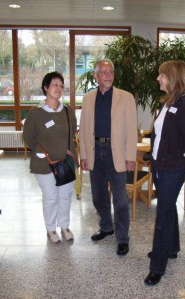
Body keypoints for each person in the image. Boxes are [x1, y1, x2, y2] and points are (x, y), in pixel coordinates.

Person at [144, 60, 185, 286]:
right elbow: (161, 135)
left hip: (174, 168)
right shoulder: (169, 102)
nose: (158, 79)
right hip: (161, 165)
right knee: (168, 208)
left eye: (162, 75)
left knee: (163, 213)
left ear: (173, 77)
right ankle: (173, 248)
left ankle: (157, 266)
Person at [79, 59, 137, 256]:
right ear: (96, 76)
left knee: (120, 198)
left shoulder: (126, 97)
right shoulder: (88, 99)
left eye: (111, 71)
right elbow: (84, 129)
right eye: (103, 72)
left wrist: (130, 156)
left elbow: (131, 129)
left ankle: (122, 238)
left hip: (117, 152)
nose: (108, 75)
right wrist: (84, 155)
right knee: (98, 195)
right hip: (95, 150)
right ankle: (106, 227)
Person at [23, 71, 78, 244]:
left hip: (65, 162)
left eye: (61, 85)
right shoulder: (36, 113)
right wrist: (39, 151)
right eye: (55, 84)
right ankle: (51, 229)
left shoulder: (68, 111)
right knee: (51, 196)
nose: (59, 88)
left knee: (65, 196)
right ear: (46, 87)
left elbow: (72, 135)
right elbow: (28, 137)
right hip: (44, 163)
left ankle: (64, 226)